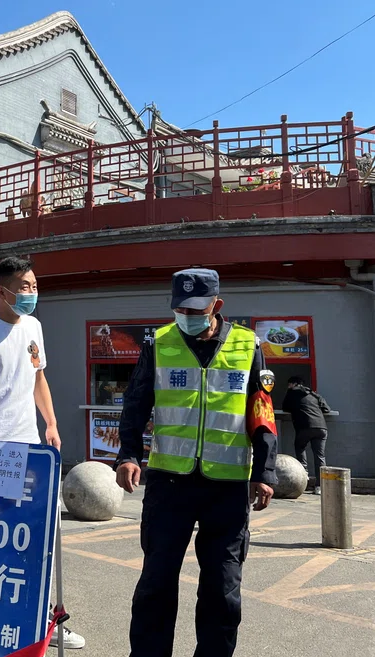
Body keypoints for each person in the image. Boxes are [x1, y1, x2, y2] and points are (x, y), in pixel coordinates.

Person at [116, 268, 277, 657]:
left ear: (216, 306)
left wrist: (265, 471)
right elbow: (137, 403)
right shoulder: (159, 342)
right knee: (156, 581)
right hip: (169, 484)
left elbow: (261, 409)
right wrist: (128, 455)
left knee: (222, 588)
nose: (187, 315)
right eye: (180, 309)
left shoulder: (247, 344)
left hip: (227, 485)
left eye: (195, 309)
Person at [0, 256, 85, 650]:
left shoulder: (35, 328)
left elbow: (38, 377)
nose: (31, 294)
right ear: (1, 293)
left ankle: (41, 620)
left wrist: (53, 423)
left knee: (34, 539)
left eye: (34, 286)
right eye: (23, 287)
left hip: (28, 451)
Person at [282, 376, 332, 494]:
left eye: (289, 384)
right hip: (321, 427)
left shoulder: (292, 394)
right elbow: (327, 409)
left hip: (304, 427)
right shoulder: (314, 395)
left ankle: (304, 477)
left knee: (300, 448)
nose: (288, 386)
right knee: (320, 457)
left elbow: (285, 408)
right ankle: (320, 487)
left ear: (294, 384)